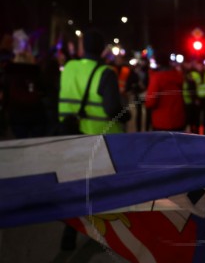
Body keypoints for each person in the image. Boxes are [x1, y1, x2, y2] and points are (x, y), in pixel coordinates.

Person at [57, 27, 129, 250]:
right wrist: (127, 114)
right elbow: (112, 109)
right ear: (103, 50)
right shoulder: (105, 73)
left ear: (82, 47)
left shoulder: (69, 67)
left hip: (71, 134)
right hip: (100, 138)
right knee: (98, 188)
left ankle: (69, 233)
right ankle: (98, 234)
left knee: (77, 186)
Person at [144, 51, 185, 132]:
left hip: (161, 121)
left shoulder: (157, 78)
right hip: (178, 119)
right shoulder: (178, 75)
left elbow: (150, 102)